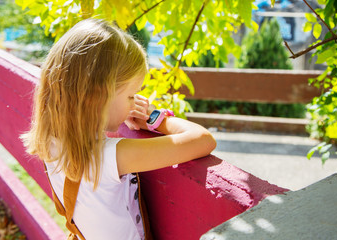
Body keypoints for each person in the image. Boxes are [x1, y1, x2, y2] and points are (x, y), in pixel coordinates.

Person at [21, 18, 216, 240]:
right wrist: (154, 118)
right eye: (130, 96)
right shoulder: (110, 156)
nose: (134, 103)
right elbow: (203, 139)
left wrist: (118, 111)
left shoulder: (50, 141)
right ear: (97, 98)